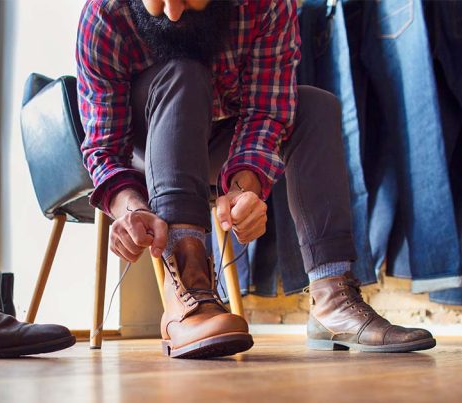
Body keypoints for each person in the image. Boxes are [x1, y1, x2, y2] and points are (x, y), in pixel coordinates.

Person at [76, 0, 436, 359]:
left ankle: (333, 299)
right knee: (183, 72)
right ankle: (188, 291)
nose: (172, 12)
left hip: (216, 139)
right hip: (147, 146)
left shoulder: (267, 5)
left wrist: (243, 189)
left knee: (314, 107)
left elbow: (266, 111)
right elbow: (105, 149)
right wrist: (131, 206)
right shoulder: (105, 16)